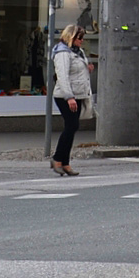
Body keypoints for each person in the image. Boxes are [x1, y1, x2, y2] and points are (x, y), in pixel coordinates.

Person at [52, 24, 94, 176]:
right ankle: (58, 159)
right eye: (79, 38)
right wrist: (69, 97)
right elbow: (62, 76)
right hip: (65, 95)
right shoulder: (62, 52)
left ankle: (65, 162)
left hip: (77, 94)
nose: (82, 41)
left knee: (72, 127)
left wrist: (86, 68)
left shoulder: (78, 51)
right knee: (71, 126)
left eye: (82, 38)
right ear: (71, 37)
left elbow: (75, 71)